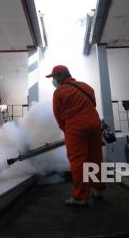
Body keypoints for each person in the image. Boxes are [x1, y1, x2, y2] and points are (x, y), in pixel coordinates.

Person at [46, 65, 105, 206]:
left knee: (78, 161)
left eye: (54, 77)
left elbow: (58, 115)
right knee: (95, 158)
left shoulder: (59, 91)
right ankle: (98, 190)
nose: (53, 80)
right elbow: (93, 104)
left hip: (76, 126)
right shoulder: (86, 87)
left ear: (60, 76)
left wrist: (66, 129)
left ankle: (80, 197)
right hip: (95, 124)